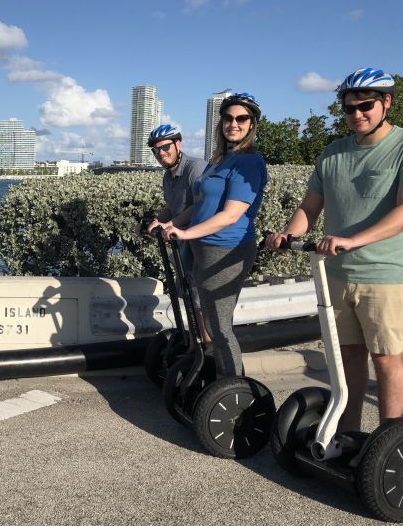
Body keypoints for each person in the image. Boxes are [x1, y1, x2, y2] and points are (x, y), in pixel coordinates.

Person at [266, 67, 403, 432]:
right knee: (347, 358)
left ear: (386, 102)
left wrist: (352, 240)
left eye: (366, 106)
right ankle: (349, 435)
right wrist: (287, 235)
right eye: (349, 109)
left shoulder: (401, 148)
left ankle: (392, 447)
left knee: (387, 359)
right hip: (337, 275)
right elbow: (310, 207)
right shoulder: (333, 152)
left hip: (386, 276)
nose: (357, 115)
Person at [162, 93, 267, 377]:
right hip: (203, 248)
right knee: (210, 323)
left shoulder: (249, 162)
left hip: (228, 250)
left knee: (220, 326)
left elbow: (231, 215)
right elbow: (199, 205)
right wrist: (170, 225)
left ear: (252, 124)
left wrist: (186, 233)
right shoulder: (219, 161)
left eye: (241, 118)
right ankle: (222, 381)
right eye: (228, 118)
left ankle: (235, 389)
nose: (234, 124)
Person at [144, 123, 210, 344]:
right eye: (156, 150)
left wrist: (170, 224)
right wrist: (156, 222)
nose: (161, 153)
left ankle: (208, 343)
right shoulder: (168, 176)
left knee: (199, 295)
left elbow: (198, 206)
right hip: (182, 241)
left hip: (202, 240)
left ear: (177, 144)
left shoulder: (196, 168)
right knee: (189, 291)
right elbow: (173, 206)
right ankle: (197, 340)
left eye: (165, 147)